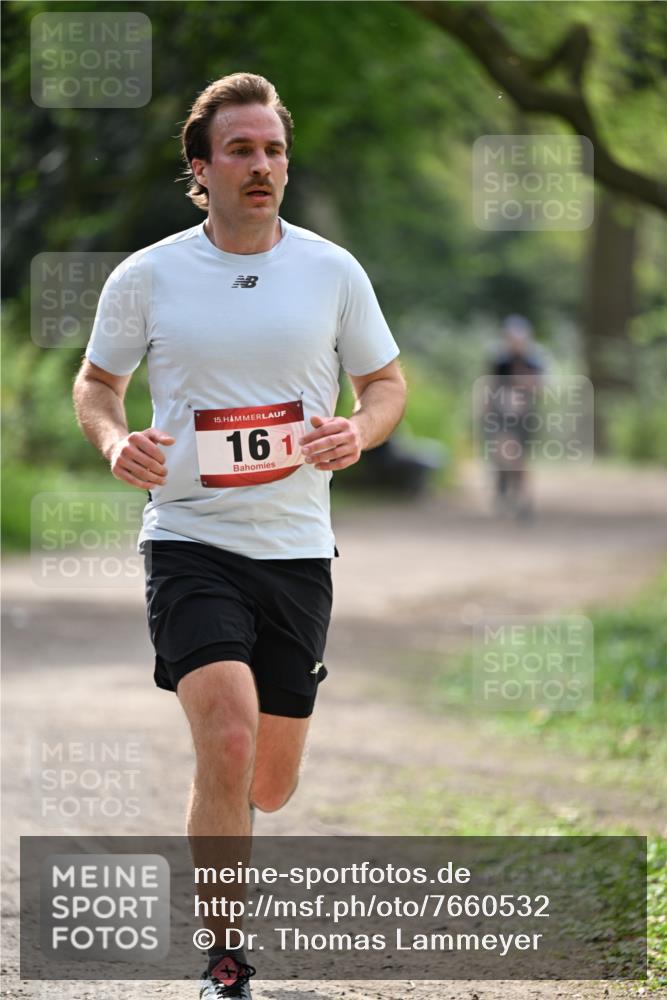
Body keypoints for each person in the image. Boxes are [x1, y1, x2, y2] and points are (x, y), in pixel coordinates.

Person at [73, 72, 406, 998]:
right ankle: (225, 956)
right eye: (240, 150)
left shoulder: (332, 271)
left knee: (268, 782)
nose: (261, 166)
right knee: (225, 735)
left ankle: (245, 807)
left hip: (296, 550)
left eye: (273, 150)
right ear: (200, 168)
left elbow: (384, 386)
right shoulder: (147, 275)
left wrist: (359, 431)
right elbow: (96, 384)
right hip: (188, 537)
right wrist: (116, 442)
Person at [484, 314, 544, 520]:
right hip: (501, 416)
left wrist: (524, 383)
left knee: (518, 459)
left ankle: (522, 498)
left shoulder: (534, 361)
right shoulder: (500, 361)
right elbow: (490, 387)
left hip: (523, 418)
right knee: (505, 454)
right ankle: (509, 491)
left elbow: (540, 389)